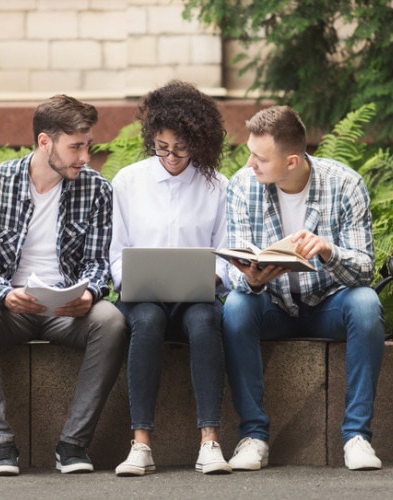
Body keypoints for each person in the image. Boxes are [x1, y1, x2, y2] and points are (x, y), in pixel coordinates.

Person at [0, 94, 127, 476]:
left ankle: (73, 444)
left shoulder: (97, 189)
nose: (85, 157)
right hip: (9, 310)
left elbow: (99, 262)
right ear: (45, 142)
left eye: (88, 146)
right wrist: (5, 294)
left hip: (67, 311)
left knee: (111, 320)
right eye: (76, 147)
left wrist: (89, 294)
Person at [221, 106, 385, 471]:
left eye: (260, 158)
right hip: (272, 305)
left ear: (292, 161)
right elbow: (233, 268)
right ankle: (254, 436)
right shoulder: (242, 185)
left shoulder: (345, 184)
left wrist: (329, 251)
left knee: (366, 304)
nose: (250, 163)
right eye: (250, 152)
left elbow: (364, 270)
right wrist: (251, 279)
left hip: (328, 304)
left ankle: (357, 436)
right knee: (234, 307)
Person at [109, 80, 232, 476]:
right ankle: (141, 443)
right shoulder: (129, 181)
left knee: (205, 321)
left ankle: (209, 441)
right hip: (142, 295)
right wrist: (126, 280)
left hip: (197, 295)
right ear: (151, 140)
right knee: (146, 322)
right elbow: (115, 249)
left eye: (181, 148)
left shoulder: (217, 185)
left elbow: (227, 252)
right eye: (163, 147)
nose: (172, 156)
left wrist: (214, 277)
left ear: (200, 141)